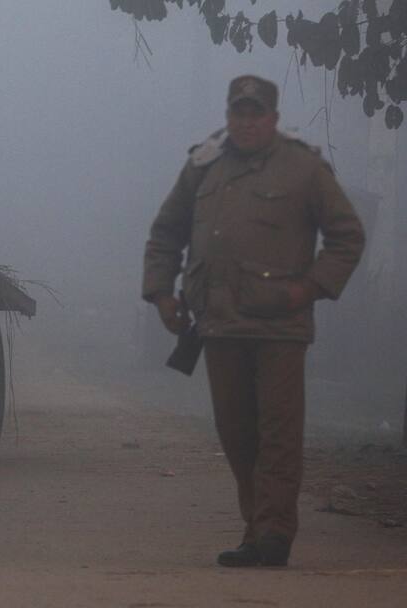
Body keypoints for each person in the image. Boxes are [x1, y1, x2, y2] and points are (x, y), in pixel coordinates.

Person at [141, 75, 365, 567]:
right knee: (237, 433)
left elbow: (347, 235)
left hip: (280, 325)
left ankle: (273, 534)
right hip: (219, 323)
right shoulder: (204, 165)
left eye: (256, 113)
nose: (246, 122)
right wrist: (161, 294)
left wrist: (309, 288)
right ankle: (256, 529)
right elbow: (166, 232)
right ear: (228, 115)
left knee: (278, 433)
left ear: (273, 118)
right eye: (238, 113)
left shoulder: (304, 168)